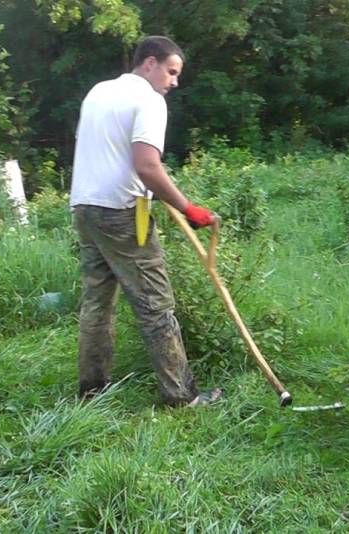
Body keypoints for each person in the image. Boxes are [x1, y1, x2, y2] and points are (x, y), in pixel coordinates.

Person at [69, 36, 223, 407]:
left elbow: (110, 151)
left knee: (97, 302)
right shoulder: (149, 100)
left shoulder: (99, 92)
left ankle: (93, 389)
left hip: (84, 207)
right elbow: (146, 164)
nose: (174, 82)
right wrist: (189, 208)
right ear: (149, 63)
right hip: (121, 213)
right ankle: (181, 397)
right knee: (156, 306)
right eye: (171, 72)